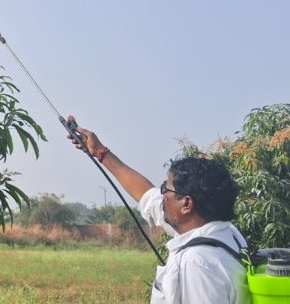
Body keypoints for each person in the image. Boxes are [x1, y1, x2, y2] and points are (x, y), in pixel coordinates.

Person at [67, 116, 250, 304]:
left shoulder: (197, 263)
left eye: (166, 190)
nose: (162, 196)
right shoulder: (226, 234)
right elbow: (146, 195)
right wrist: (100, 152)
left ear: (186, 204)